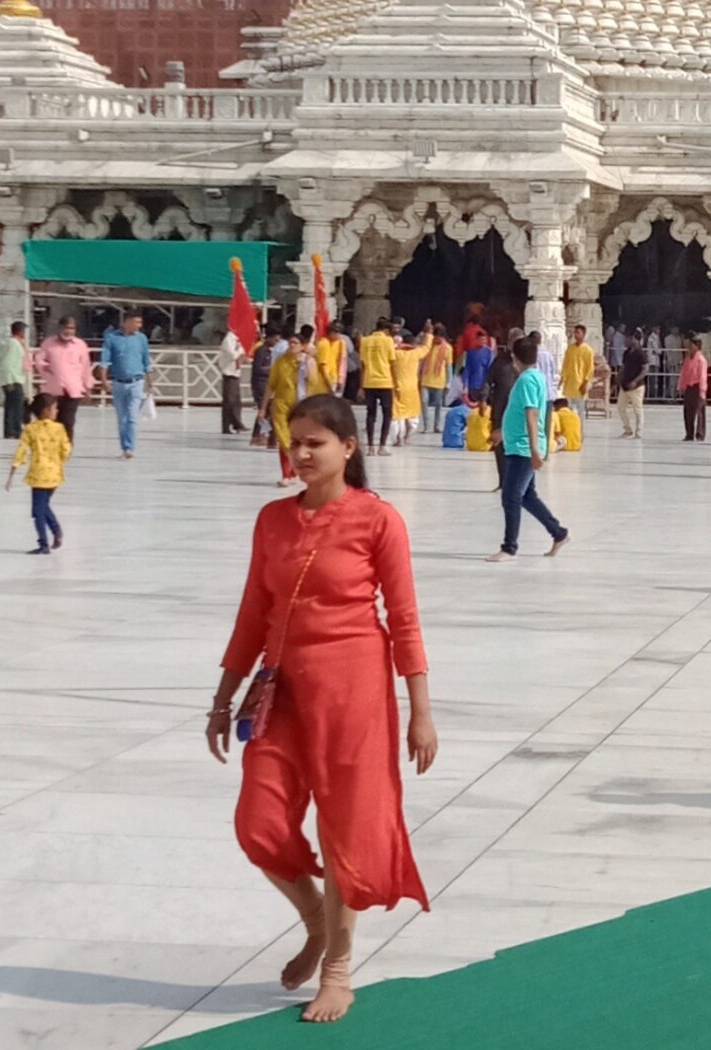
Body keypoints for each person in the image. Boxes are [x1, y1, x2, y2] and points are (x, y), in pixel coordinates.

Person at [209, 394, 436, 1024]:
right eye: (296, 441)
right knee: (259, 825)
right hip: (281, 689)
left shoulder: (378, 520)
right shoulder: (273, 520)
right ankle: (315, 922)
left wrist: (420, 710)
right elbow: (253, 613)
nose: (302, 453)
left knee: (346, 828)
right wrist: (223, 698)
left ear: (348, 447)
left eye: (316, 443)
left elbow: (405, 620)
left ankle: (338, 969)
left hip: (353, 690)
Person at [492, 334, 568, 561]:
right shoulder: (535, 377)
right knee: (527, 496)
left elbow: (532, 414)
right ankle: (559, 533)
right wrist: (503, 432)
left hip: (524, 448)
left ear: (515, 358)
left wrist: (535, 450)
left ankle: (509, 547)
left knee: (511, 496)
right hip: (518, 444)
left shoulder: (526, 380)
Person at [8, 391, 72, 553]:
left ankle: (44, 543)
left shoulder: (31, 429)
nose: (57, 411)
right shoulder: (59, 428)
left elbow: (21, 450)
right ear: (46, 410)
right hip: (55, 475)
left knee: (38, 511)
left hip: (39, 476)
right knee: (42, 507)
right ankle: (56, 531)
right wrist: (58, 461)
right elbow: (66, 450)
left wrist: (13, 470)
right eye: (55, 408)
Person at [100, 309, 151, 460]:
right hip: (118, 383)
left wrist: (150, 381)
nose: (139, 325)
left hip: (136, 381)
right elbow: (105, 360)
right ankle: (124, 447)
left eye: (140, 322)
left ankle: (130, 447)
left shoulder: (141, 338)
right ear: (127, 321)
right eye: (136, 322)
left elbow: (146, 360)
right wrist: (104, 380)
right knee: (122, 418)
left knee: (132, 417)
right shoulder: (112, 338)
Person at [34, 315, 93, 444]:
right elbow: (39, 360)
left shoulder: (80, 345)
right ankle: (52, 447)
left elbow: (85, 367)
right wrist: (46, 367)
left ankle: (66, 448)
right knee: (51, 421)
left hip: (73, 390)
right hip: (53, 389)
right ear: (60, 328)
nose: (68, 331)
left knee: (68, 421)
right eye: (66, 328)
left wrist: (88, 387)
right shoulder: (49, 343)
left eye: (71, 328)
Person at [266, 330, 307, 489]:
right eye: (290, 342)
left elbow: (313, 382)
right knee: (284, 439)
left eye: (295, 343)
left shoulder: (306, 362)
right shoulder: (280, 362)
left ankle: (293, 471)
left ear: (302, 346)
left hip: (300, 405)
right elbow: (271, 385)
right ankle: (285, 475)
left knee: (296, 439)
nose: (291, 345)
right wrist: (263, 407)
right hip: (281, 404)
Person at [358, 318, 397, 450]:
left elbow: (362, 366)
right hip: (385, 382)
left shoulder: (365, 341)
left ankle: (370, 447)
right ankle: (382, 446)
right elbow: (392, 363)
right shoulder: (388, 341)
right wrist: (396, 383)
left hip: (369, 382)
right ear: (386, 330)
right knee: (387, 415)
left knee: (370, 414)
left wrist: (361, 386)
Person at [0, 318, 32, 440]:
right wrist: (8, 380)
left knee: (12, 405)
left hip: (15, 377)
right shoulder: (13, 344)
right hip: (13, 378)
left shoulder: (15, 343)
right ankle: (15, 429)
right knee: (16, 406)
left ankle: (11, 430)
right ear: (20, 332)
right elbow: (7, 363)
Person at [217, 318, 249, 437]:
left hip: (235, 372)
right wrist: (241, 351)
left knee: (236, 400)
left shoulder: (237, 339)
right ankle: (229, 424)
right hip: (229, 372)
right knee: (229, 400)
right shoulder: (229, 339)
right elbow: (233, 354)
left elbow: (243, 352)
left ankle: (236, 423)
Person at [676, 334, 710, 443]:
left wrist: (702, 390)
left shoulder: (701, 360)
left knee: (699, 411)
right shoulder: (688, 359)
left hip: (697, 387)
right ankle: (689, 433)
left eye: (691, 346)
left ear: (697, 346)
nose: (689, 348)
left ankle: (700, 434)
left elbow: (703, 376)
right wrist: (681, 386)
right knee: (688, 411)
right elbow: (684, 373)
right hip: (689, 387)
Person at [618, 331, 649, 438]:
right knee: (621, 407)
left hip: (636, 386)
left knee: (637, 409)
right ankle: (627, 429)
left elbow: (645, 369)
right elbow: (623, 367)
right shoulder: (626, 353)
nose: (629, 340)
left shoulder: (641, 354)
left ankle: (639, 431)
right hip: (625, 385)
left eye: (632, 338)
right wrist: (618, 378)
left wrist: (635, 381)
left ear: (637, 340)